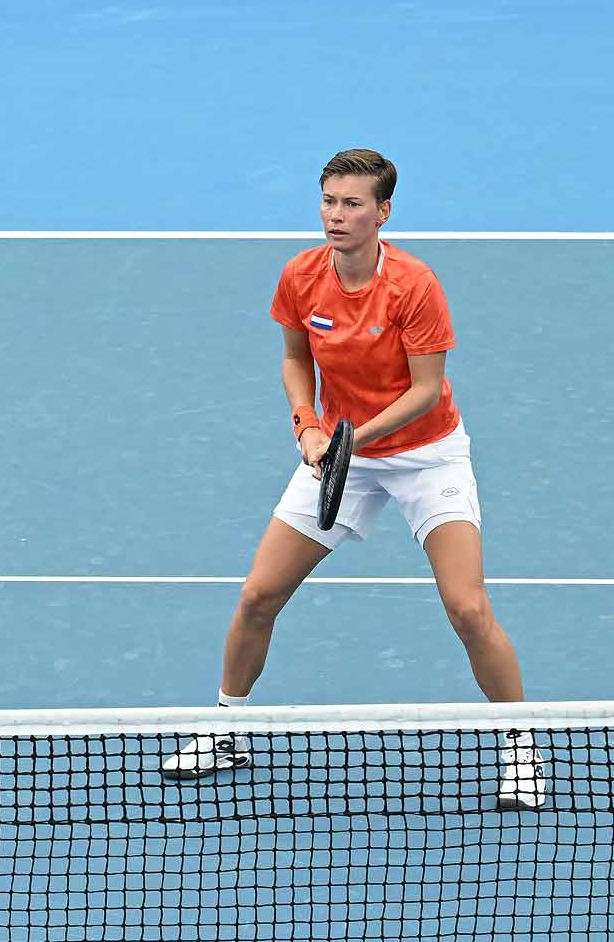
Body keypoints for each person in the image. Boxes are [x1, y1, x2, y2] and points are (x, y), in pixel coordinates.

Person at [160, 149, 541, 808]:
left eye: (353, 204)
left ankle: (523, 748)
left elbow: (427, 390)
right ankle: (227, 729)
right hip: (341, 455)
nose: (336, 216)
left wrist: (348, 439)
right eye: (329, 201)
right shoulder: (302, 276)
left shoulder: (415, 285)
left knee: (469, 609)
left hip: (426, 455)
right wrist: (308, 425)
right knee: (257, 596)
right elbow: (292, 358)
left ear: (382, 212)